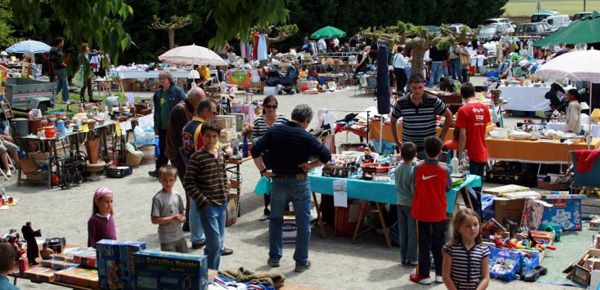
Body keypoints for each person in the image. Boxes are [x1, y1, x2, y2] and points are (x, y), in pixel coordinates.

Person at [251, 104, 331, 273]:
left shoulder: (274, 131)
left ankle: (274, 257)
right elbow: (326, 156)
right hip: (299, 182)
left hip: (278, 181)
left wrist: (263, 170)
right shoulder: (306, 136)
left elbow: (255, 150)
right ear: (306, 121)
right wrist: (310, 165)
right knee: (303, 223)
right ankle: (301, 262)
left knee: (275, 220)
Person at [183, 121, 229, 270]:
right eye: (208, 136)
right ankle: (211, 276)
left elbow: (223, 174)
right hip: (208, 206)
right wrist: (202, 200)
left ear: (218, 137)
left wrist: (227, 193)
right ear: (202, 137)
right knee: (215, 244)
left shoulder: (220, 154)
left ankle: (206, 272)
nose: (211, 140)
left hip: (221, 204)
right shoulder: (197, 157)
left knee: (218, 243)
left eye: (214, 136)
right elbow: (188, 182)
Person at [410, 136, 451, 285]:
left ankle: (424, 275)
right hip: (439, 211)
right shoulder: (445, 169)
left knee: (424, 243)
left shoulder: (418, 168)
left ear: (425, 151)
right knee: (439, 243)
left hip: (422, 211)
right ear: (440, 152)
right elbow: (448, 187)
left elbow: (414, 185)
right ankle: (440, 273)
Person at [165, 87, 206, 231]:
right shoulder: (180, 111)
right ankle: (189, 222)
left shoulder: (190, 109)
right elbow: (180, 142)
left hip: (185, 155)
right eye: (200, 101)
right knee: (190, 188)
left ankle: (190, 222)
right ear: (193, 99)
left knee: (191, 188)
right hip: (179, 156)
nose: (202, 104)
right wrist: (189, 164)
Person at [390, 74, 453, 159]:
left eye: (420, 88)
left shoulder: (433, 100)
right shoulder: (401, 102)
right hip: (409, 149)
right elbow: (393, 120)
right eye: (414, 88)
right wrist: (397, 142)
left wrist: (441, 138)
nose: (417, 91)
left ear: (424, 86)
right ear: (410, 87)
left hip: (428, 149)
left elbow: (449, 116)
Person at [456, 84, 491, 218]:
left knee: (470, 191)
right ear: (474, 93)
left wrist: (459, 157)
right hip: (482, 151)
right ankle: (478, 219)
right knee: (477, 188)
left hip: (470, 153)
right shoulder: (484, 108)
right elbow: (484, 130)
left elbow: (463, 136)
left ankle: (473, 219)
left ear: (462, 95)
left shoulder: (464, 110)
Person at [252, 95, 289, 221]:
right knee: (267, 183)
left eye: (274, 106)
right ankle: (267, 210)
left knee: (281, 183)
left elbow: (289, 136)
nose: (271, 109)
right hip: (264, 157)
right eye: (268, 106)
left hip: (280, 156)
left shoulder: (283, 119)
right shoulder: (258, 121)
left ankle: (283, 210)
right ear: (264, 107)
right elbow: (254, 140)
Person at [149, 71, 186, 178]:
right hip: (162, 127)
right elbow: (156, 111)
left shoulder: (177, 91)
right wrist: (156, 126)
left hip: (175, 127)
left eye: (164, 78)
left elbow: (185, 105)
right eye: (160, 78)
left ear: (169, 79)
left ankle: (182, 169)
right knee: (162, 148)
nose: (162, 80)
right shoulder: (158, 94)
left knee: (177, 149)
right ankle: (160, 171)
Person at [442, 208, 490, 290]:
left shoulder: (483, 250)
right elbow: (446, 276)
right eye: (467, 226)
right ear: (458, 228)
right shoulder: (450, 249)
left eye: (475, 224)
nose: (472, 228)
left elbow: (485, 277)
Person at [151, 165, 188, 253]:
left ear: (175, 180)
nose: (168, 183)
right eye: (165, 180)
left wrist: (182, 218)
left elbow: (181, 212)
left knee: (186, 261)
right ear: (160, 180)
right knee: (171, 264)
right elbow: (154, 220)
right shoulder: (158, 198)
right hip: (166, 239)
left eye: (171, 180)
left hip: (180, 235)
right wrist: (172, 218)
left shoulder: (177, 195)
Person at [394, 142, 418, 267]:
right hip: (410, 204)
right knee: (412, 232)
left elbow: (397, 184)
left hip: (400, 202)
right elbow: (413, 191)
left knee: (403, 232)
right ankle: (412, 257)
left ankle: (403, 257)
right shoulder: (413, 170)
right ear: (415, 155)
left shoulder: (397, 169)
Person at [49, 37, 69, 104]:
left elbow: (52, 60)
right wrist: (66, 66)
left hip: (56, 68)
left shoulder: (52, 49)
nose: (63, 43)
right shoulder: (58, 50)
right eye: (62, 42)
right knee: (65, 84)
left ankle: (51, 97)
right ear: (60, 42)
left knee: (60, 84)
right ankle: (65, 100)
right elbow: (60, 61)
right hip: (61, 69)